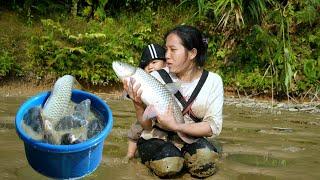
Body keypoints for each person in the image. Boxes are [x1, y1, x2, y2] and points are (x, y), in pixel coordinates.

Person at [123, 25, 224, 178]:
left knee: (205, 160)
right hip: (157, 136)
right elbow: (146, 125)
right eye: (166, 50)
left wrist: (176, 126)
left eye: (173, 50)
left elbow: (212, 127)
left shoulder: (213, 81)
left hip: (189, 136)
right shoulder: (156, 77)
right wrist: (137, 104)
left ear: (192, 53)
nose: (167, 56)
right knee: (168, 165)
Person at [126, 43, 166, 159]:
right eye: (146, 65)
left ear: (165, 63)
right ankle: (129, 155)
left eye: (154, 62)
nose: (150, 67)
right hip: (146, 115)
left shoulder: (170, 80)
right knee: (136, 129)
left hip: (163, 116)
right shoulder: (142, 83)